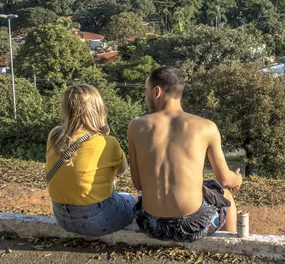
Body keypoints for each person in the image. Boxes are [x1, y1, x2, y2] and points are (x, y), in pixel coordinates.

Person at [127, 66, 242, 242]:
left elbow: (138, 184)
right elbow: (225, 179)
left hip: (151, 224)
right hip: (194, 226)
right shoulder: (206, 126)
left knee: (210, 188)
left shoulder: (135, 126)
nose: (145, 97)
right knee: (225, 193)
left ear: (157, 91)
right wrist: (237, 179)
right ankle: (229, 244)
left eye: (146, 91)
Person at [45, 85, 137, 237]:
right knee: (133, 199)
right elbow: (122, 169)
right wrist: (105, 133)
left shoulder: (54, 135)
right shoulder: (107, 142)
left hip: (62, 218)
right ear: (98, 109)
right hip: (98, 222)